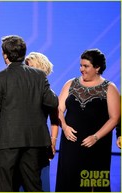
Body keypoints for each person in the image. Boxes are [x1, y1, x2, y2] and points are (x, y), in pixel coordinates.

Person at [0, 35, 58, 191]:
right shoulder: (39, 76)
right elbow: (53, 102)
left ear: (5, 55)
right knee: (33, 186)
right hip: (34, 142)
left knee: (5, 186)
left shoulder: (0, 78)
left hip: (8, 142)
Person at [55, 48, 120, 192]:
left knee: (94, 184)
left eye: (86, 66)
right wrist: (64, 127)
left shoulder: (109, 88)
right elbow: (58, 109)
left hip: (96, 146)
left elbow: (115, 118)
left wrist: (96, 137)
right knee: (68, 180)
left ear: (97, 68)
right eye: (81, 65)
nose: (81, 69)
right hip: (70, 144)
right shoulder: (70, 84)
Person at [24, 52, 59, 191]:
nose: (27, 70)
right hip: (21, 141)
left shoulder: (49, 94)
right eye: (26, 66)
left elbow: (54, 120)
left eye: (31, 66)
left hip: (40, 142)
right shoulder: (20, 90)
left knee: (40, 180)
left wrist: (53, 141)